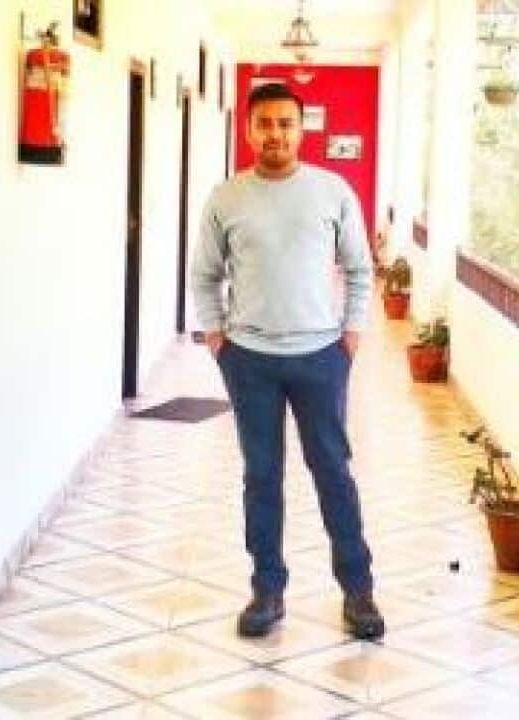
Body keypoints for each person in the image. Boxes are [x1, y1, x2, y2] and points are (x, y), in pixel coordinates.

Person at [190, 82, 384, 640]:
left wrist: (351, 333)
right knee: (261, 475)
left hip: (320, 357)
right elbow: (205, 275)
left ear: (301, 129)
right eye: (265, 123)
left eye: (285, 123)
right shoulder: (226, 199)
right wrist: (216, 337)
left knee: (332, 471)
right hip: (249, 359)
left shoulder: (331, 191)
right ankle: (267, 590)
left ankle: (358, 590)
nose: (275, 133)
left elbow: (361, 268)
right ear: (249, 129)